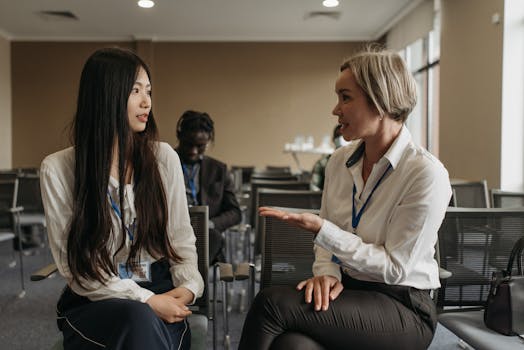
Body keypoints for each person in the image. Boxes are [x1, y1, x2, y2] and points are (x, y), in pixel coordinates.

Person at [239, 45, 452, 350]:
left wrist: (322, 231)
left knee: (271, 304)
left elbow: (395, 269)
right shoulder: (339, 161)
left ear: (380, 101)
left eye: (345, 97)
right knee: (291, 345)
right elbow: (327, 244)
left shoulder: (425, 174)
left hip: (402, 305)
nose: (335, 110)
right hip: (349, 292)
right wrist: (326, 273)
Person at [40, 48, 204, 350]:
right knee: (138, 319)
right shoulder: (59, 169)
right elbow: (78, 270)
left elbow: (181, 239)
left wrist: (189, 287)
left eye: (149, 91)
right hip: (96, 299)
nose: (147, 102)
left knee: (143, 324)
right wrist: (146, 301)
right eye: (135, 91)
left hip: (160, 287)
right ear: (106, 96)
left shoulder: (163, 158)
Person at [175, 110, 241, 264]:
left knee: (212, 238)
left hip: (206, 233)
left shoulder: (218, 170)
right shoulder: (162, 163)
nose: (193, 151)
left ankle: (193, 281)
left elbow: (235, 212)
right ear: (179, 137)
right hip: (172, 232)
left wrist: (210, 224)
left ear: (209, 141)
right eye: (188, 144)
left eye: (200, 146)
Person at [310, 124, 346, 191]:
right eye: (338, 136)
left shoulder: (358, 162)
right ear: (333, 139)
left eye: (344, 136)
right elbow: (314, 187)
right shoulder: (323, 163)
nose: (341, 139)